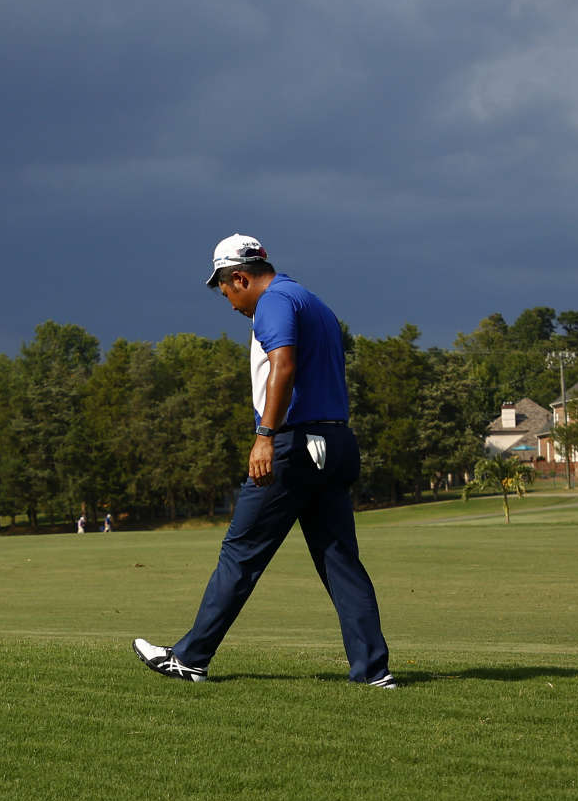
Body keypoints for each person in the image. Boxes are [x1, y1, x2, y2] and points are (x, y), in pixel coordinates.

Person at [134, 234, 394, 687]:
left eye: (226, 291)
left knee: (240, 553)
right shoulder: (311, 300)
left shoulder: (273, 302)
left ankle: (191, 658)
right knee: (340, 560)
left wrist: (265, 437)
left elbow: (284, 365)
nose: (230, 303)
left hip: (292, 445)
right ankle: (374, 672)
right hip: (335, 444)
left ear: (240, 277)